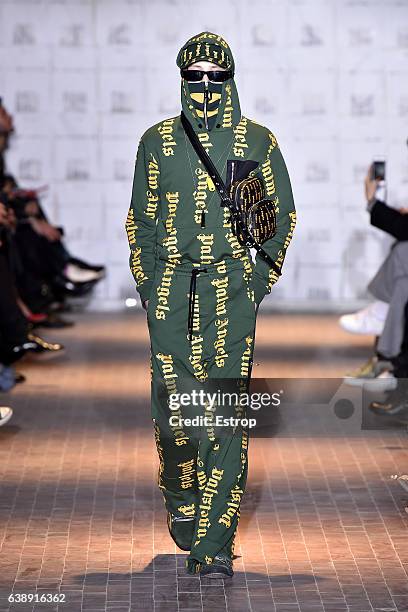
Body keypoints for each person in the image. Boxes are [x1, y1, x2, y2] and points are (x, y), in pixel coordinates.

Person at [125, 31, 296, 578]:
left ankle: (214, 544)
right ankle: (182, 502)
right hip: (172, 288)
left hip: (229, 292)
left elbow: (278, 219)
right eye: (194, 77)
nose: (205, 87)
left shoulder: (255, 143)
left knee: (223, 415)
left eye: (215, 77)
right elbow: (141, 223)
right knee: (175, 414)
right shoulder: (156, 142)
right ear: (181, 80)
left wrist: (255, 281)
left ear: (231, 80)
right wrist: (151, 289)